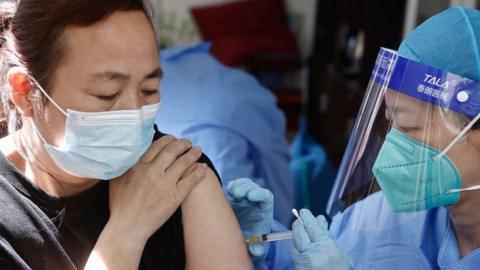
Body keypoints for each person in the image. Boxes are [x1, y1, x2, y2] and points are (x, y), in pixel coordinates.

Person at [0, 1, 252, 269]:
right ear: (25, 92)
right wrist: (127, 230)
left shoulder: (177, 174)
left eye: (149, 89)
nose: (134, 113)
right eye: (106, 94)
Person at [285, 6, 480, 269]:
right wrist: (265, 251)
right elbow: (315, 255)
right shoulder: (380, 218)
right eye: (391, 125)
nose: (390, 150)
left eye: (410, 129)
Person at [155, 43, 295, 227]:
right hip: (232, 219)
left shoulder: (147, 78)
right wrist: (283, 226)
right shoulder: (239, 89)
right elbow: (276, 167)